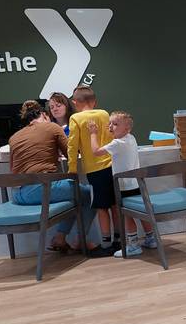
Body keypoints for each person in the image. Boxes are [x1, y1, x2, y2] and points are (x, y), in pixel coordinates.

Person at [8, 100, 94, 252]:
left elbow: (13, 167)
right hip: (39, 190)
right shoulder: (52, 127)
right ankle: (80, 240)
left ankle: (59, 239)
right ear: (44, 115)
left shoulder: (14, 137)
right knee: (89, 194)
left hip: (17, 194)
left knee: (73, 195)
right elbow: (71, 154)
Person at [87, 111, 157, 258]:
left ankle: (133, 245)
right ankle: (151, 238)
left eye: (115, 124)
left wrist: (93, 134)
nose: (111, 126)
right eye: (110, 123)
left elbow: (96, 151)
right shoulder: (131, 139)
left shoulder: (117, 143)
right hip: (135, 183)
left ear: (127, 129)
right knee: (141, 213)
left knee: (126, 216)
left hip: (124, 186)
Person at [68, 85, 117, 256]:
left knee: (101, 208)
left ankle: (106, 245)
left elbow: (72, 146)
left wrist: (72, 169)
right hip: (112, 165)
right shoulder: (104, 114)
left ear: (75, 103)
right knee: (114, 204)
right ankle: (120, 241)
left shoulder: (75, 118)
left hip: (95, 170)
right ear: (94, 101)